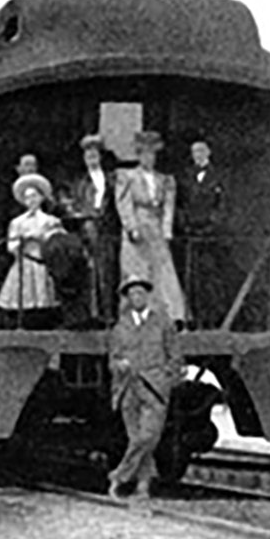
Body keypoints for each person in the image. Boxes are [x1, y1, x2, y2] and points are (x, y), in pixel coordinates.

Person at [107, 277, 183, 500]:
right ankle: (143, 487)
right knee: (137, 439)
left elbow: (176, 356)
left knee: (148, 437)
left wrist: (165, 379)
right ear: (128, 299)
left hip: (154, 389)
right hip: (128, 389)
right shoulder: (120, 328)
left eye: (140, 293)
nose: (137, 297)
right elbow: (112, 360)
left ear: (147, 296)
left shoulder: (163, 324)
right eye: (133, 294)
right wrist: (119, 365)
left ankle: (120, 475)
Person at [115, 131, 186, 323]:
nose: (149, 158)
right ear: (139, 156)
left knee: (162, 270)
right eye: (145, 154)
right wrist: (131, 227)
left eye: (152, 155)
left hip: (155, 227)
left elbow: (168, 206)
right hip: (138, 226)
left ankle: (168, 314)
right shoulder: (127, 176)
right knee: (137, 270)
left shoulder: (164, 179)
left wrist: (166, 229)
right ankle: (134, 314)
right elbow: (124, 204)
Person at [62, 134, 119, 324]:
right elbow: (67, 202)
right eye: (88, 156)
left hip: (108, 229)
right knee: (90, 271)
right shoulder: (79, 182)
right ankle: (92, 314)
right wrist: (81, 214)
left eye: (94, 155)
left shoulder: (112, 179)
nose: (91, 159)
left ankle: (109, 312)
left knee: (108, 271)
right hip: (86, 229)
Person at [0, 173, 63, 328]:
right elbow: (11, 246)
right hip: (24, 263)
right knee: (22, 299)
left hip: (43, 263)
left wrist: (41, 238)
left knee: (45, 300)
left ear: (41, 198)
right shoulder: (17, 222)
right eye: (27, 198)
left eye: (34, 196)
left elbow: (58, 243)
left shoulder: (51, 221)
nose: (31, 200)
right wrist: (22, 241)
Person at [177, 138, 230, 329]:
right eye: (194, 152)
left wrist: (210, 226)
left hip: (211, 236)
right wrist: (186, 226)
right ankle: (195, 317)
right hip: (191, 234)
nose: (197, 155)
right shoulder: (186, 176)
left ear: (208, 153)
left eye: (201, 151)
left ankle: (213, 318)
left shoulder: (220, 176)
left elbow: (223, 206)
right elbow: (181, 204)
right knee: (193, 277)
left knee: (211, 276)